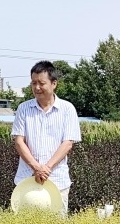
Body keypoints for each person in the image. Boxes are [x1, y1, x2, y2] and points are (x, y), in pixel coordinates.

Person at [12, 61, 81, 213]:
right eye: (33, 83)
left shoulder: (67, 109)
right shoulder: (23, 108)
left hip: (57, 180)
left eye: (41, 83)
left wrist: (47, 168)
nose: (37, 88)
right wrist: (36, 168)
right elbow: (19, 142)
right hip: (27, 180)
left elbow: (67, 143)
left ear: (54, 83)